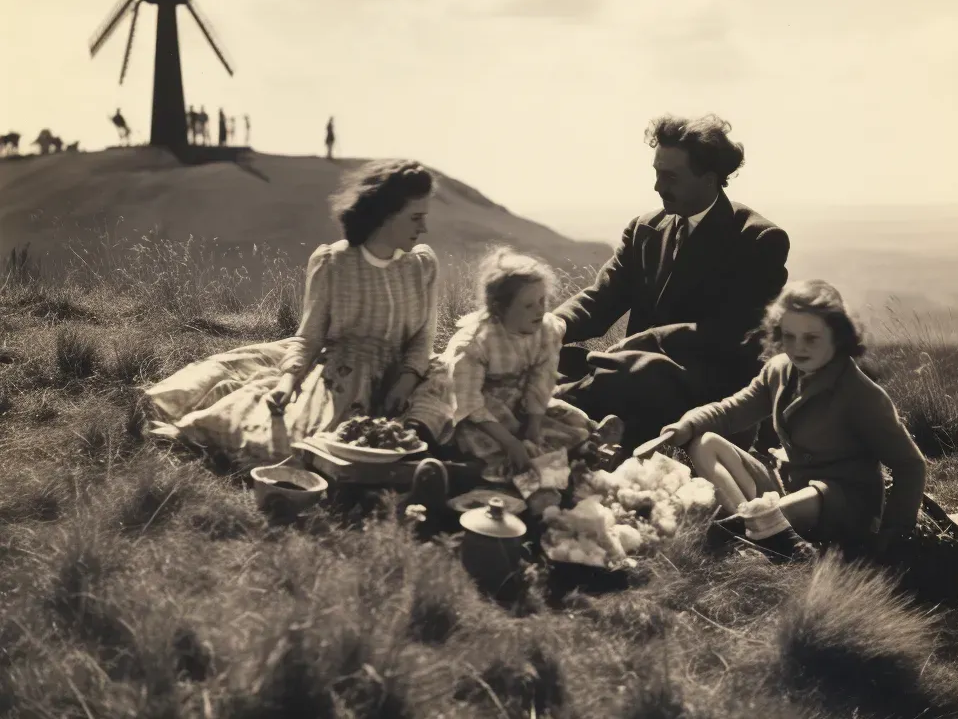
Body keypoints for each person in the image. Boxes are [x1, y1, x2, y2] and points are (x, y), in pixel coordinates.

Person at [144, 159, 444, 470]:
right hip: (343, 375)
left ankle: (415, 453)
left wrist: (405, 382)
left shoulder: (421, 266)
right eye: (416, 218)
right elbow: (310, 337)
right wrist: (288, 382)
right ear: (387, 215)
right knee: (287, 437)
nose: (424, 228)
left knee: (444, 388)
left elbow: (424, 338)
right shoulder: (334, 263)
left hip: (406, 373)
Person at [553, 114, 790, 455]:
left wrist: (641, 345)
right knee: (553, 360)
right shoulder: (644, 229)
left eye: (670, 176)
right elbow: (604, 296)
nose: (657, 187)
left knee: (632, 375)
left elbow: (733, 332)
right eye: (656, 173)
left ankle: (557, 428)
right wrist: (553, 325)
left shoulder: (757, 239)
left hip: (706, 384)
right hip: (631, 371)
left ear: (709, 180)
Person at [660, 280, 927, 559]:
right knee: (704, 442)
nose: (799, 348)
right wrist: (686, 425)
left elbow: (910, 464)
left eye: (811, 338)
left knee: (805, 500)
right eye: (789, 336)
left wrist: (894, 533)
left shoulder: (861, 394)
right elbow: (732, 411)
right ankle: (756, 529)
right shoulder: (777, 371)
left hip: (843, 504)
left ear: (837, 336)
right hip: (788, 489)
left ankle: (751, 531)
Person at [414, 247, 623, 511]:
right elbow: (468, 403)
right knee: (501, 450)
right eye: (528, 305)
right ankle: (532, 487)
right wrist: (512, 441)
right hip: (480, 411)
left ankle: (585, 451)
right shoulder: (474, 342)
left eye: (542, 301)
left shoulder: (545, 330)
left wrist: (533, 425)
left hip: (519, 398)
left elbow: (541, 379)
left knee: (568, 421)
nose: (539, 310)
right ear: (499, 308)